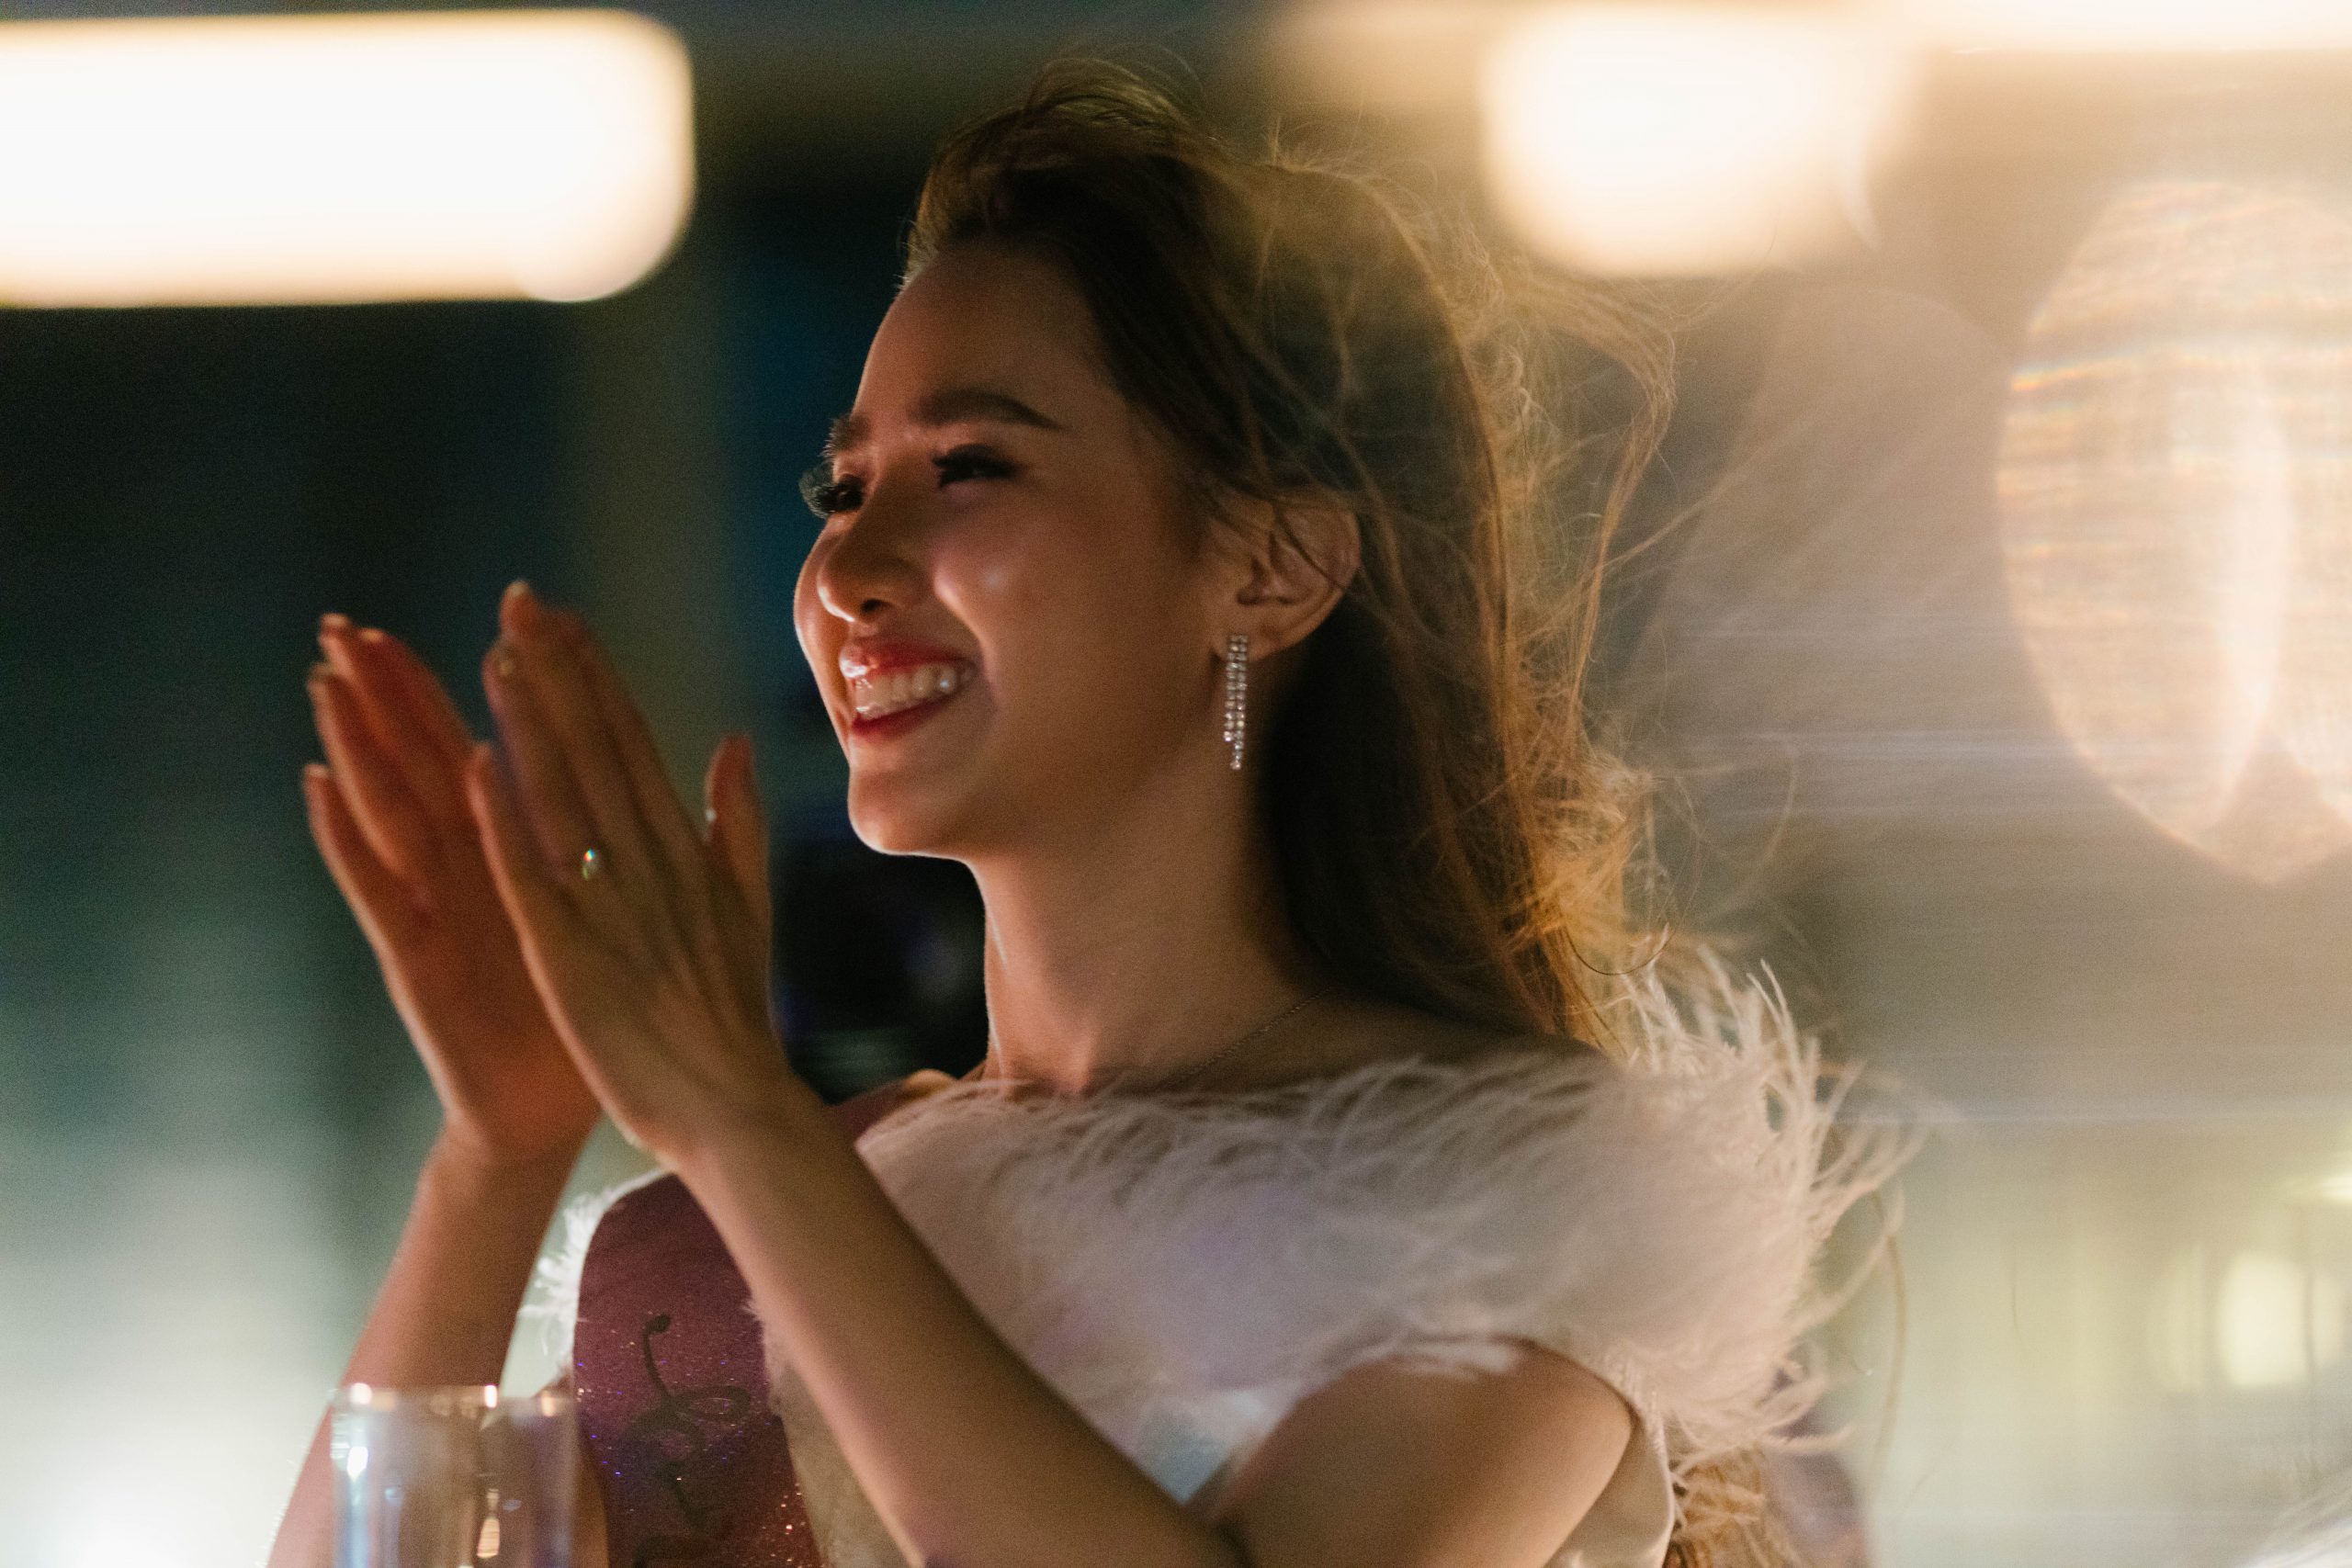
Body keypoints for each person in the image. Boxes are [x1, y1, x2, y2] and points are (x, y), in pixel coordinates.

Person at [268, 62, 1902, 1568]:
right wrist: (496, 1158)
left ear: (1273, 567)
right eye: (844, 490)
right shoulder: (792, 1200)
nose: (848, 574)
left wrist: (743, 1126)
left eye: (970, 467)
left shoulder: (1498, 1212)